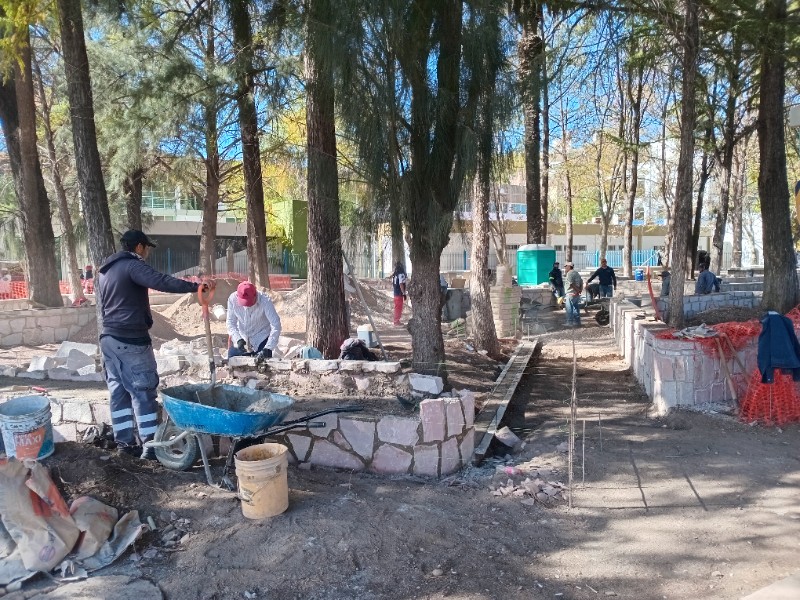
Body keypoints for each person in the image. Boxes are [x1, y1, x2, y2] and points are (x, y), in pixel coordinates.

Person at [97, 230, 213, 460]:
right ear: (139, 247)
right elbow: (160, 281)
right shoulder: (132, 266)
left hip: (109, 340)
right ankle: (152, 448)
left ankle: (125, 444)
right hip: (130, 340)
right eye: (147, 248)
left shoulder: (106, 270)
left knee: (119, 392)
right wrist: (196, 287)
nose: (147, 252)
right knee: (143, 391)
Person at [226, 281, 282, 359]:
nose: (247, 306)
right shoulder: (232, 299)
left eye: (249, 302)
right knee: (232, 361)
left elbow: (276, 325)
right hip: (242, 337)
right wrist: (238, 339)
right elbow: (231, 323)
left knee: (264, 365)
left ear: (255, 294)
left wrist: (268, 348)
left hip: (261, 337)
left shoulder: (265, 300)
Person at [563, 262, 583, 326]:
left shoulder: (569, 273)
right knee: (575, 308)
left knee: (569, 308)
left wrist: (577, 290)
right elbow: (581, 282)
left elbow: (571, 283)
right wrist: (579, 290)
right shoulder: (577, 273)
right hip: (576, 294)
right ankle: (577, 322)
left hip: (571, 293)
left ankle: (569, 322)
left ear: (569, 266)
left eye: (566, 266)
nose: (565, 268)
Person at [391, 261, 407, 327]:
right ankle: (396, 321)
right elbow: (401, 284)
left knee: (397, 307)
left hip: (395, 293)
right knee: (398, 308)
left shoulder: (395, 275)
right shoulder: (401, 274)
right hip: (399, 294)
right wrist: (403, 293)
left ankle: (396, 320)